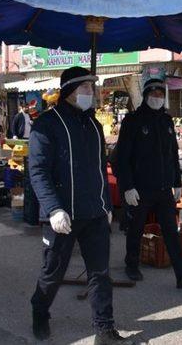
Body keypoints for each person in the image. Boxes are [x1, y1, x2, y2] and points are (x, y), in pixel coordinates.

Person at [28, 67, 128, 344]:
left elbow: (99, 168)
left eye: (91, 88)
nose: (91, 93)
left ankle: (104, 328)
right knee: (53, 272)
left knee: (100, 273)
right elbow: (38, 171)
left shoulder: (94, 125)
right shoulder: (46, 124)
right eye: (86, 88)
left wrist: (106, 205)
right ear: (69, 91)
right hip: (63, 215)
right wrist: (53, 209)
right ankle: (39, 310)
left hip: (94, 214)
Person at [116, 77, 182, 289]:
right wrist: (127, 186)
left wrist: (177, 183)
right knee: (135, 228)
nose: (157, 98)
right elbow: (122, 158)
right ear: (146, 96)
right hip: (140, 188)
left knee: (171, 232)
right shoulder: (133, 120)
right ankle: (131, 264)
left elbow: (172, 154)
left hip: (164, 187)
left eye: (160, 95)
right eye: (153, 94)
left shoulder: (166, 120)